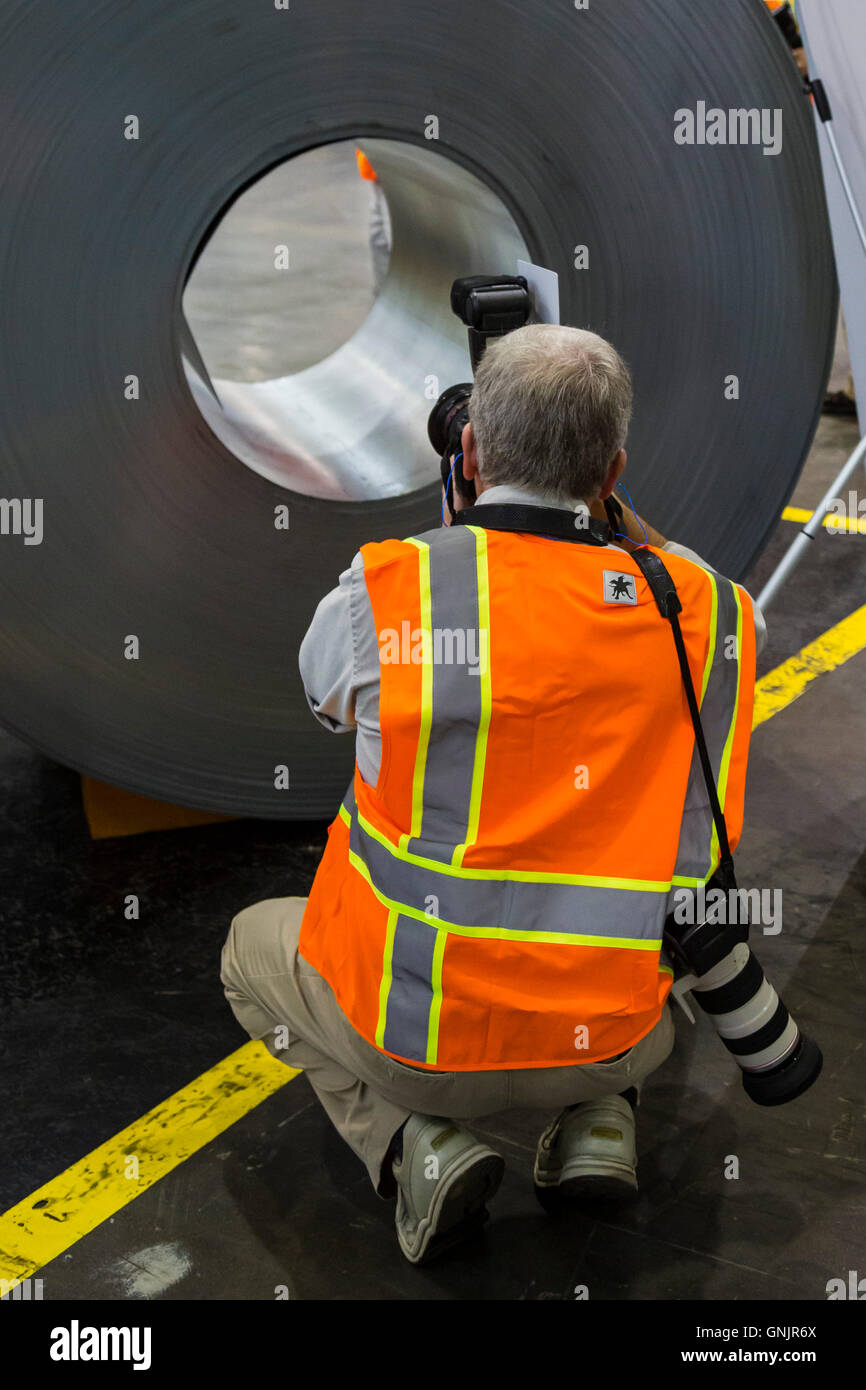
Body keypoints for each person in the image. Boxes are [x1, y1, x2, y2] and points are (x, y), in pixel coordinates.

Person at [221, 325, 764, 1265]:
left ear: (470, 451)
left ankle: (414, 1143)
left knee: (248, 950)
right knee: (631, 872)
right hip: (617, 1036)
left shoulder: (390, 594)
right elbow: (718, 596)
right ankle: (599, 1120)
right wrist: (613, 520)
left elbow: (325, 700)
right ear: (616, 470)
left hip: (421, 1043)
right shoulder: (704, 610)